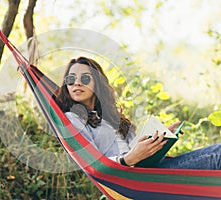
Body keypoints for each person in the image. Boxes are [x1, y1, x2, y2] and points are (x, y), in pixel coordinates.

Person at [56, 56, 221, 169]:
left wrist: (159, 139)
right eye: (70, 79)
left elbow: (134, 148)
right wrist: (127, 160)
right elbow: (92, 164)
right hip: (133, 178)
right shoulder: (72, 119)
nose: (76, 83)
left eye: (84, 78)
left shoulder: (111, 117)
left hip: (149, 170)